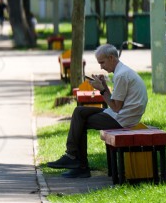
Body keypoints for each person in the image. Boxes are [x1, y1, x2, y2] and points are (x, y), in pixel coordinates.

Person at [47, 44, 148, 178]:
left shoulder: (122, 75)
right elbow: (115, 102)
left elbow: (116, 107)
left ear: (111, 58)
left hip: (123, 119)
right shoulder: (122, 71)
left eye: (102, 62)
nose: (101, 67)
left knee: (80, 121)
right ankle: (74, 158)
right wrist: (105, 86)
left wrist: (101, 90)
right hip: (120, 114)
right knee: (79, 112)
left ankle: (77, 162)